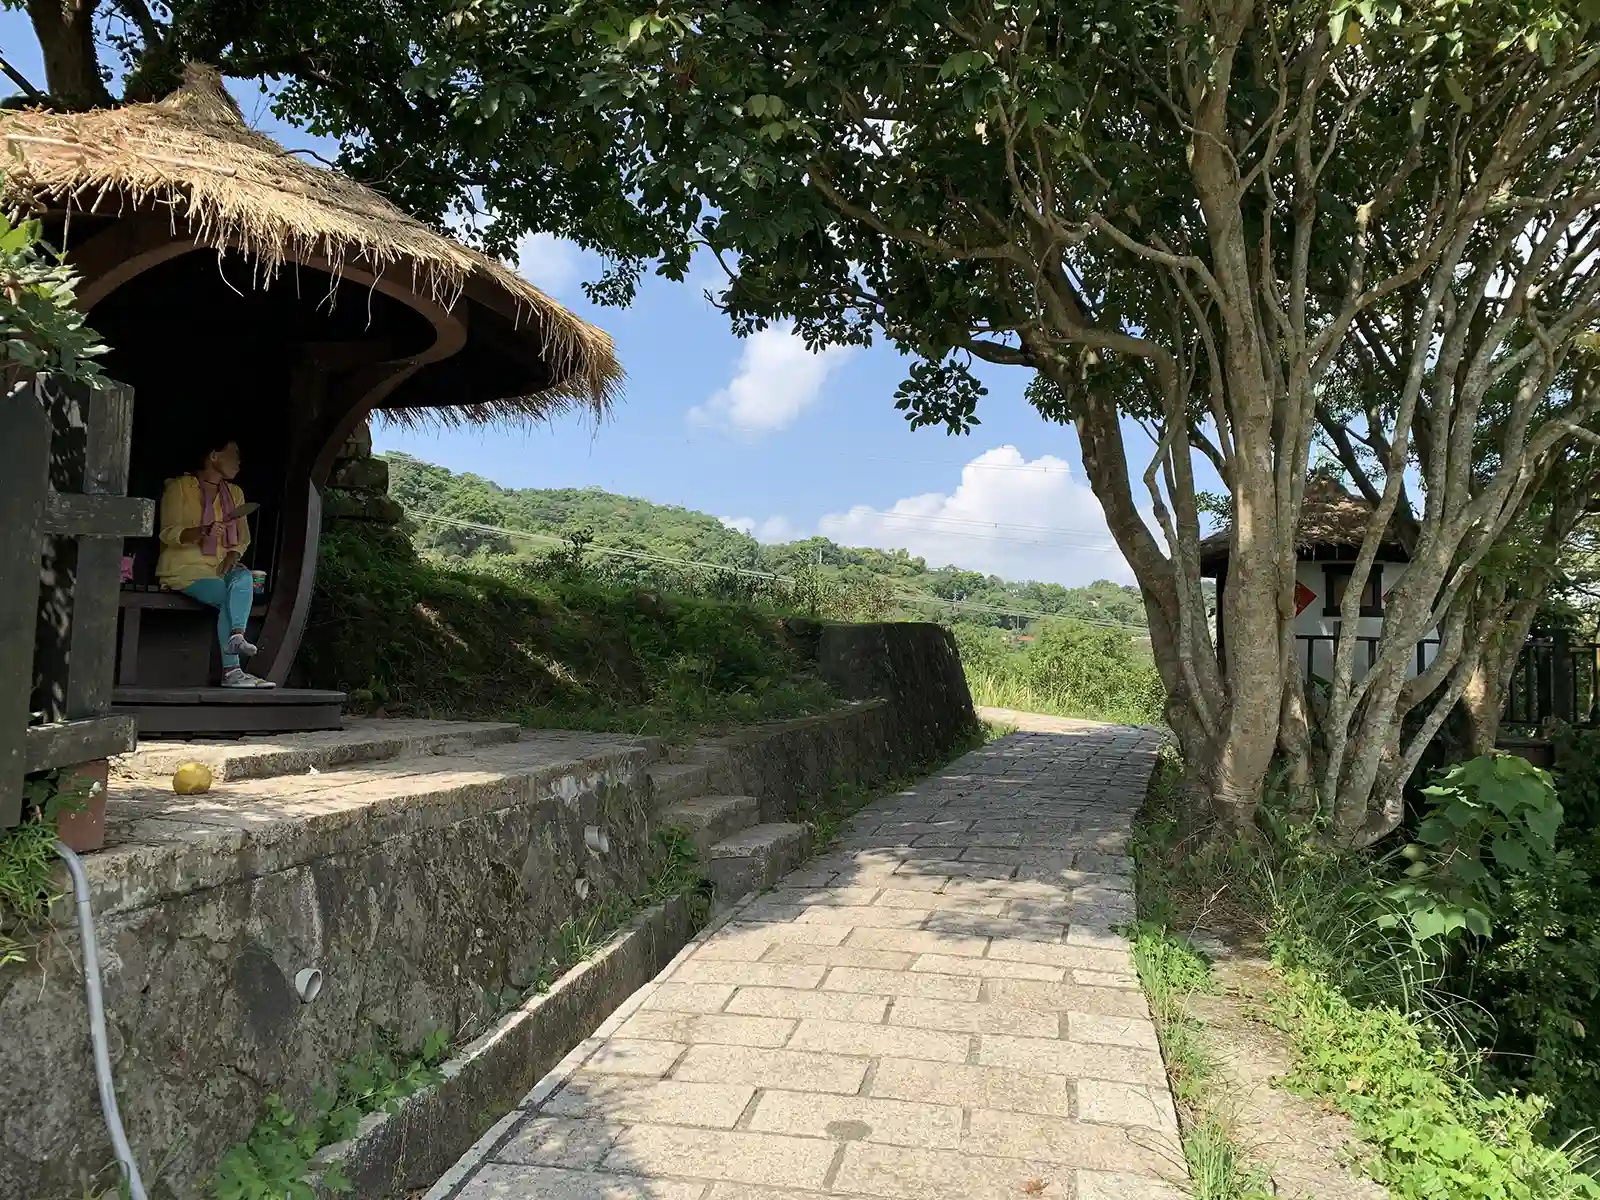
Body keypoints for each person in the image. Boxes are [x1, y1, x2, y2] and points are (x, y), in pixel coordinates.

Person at [156, 437, 275, 689]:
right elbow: (168, 532)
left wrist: (233, 555)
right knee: (227, 598)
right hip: (186, 569)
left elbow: (242, 538)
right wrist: (203, 531)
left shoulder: (235, 493)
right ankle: (232, 671)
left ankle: (237, 636)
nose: (239, 462)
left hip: (220, 568)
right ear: (214, 456)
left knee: (243, 577)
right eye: (234, 454)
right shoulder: (180, 488)